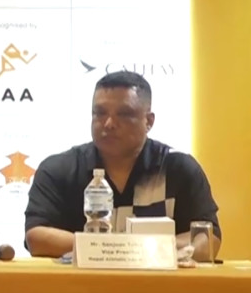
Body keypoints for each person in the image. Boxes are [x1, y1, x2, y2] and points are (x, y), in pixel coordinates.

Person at [25, 71, 221, 260]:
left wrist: (120, 249)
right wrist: (123, 248)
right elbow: (36, 237)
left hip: (156, 283)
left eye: (124, 114)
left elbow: (208, 238)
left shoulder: (179, 169)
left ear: (149, 121)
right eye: (100, 113)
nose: (109, 123)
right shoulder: (58, 170)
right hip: (81, 283)